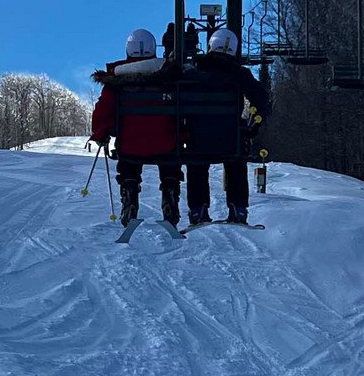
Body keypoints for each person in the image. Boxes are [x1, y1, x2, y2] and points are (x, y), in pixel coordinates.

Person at [88, 28, 183, 228]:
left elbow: (103, 111)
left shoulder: (117, 81)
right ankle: (170, 192)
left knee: (129, 160)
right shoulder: (169, 76)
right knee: (170, 157)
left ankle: (129, 196)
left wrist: (101, 133)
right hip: (165, 144)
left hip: (131, 146)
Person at [181, 26, 270, 225]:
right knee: (237, 160)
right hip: (230, 138)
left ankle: (198, 208)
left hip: (198, 139)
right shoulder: (240, 74)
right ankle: (238, 208)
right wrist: (251, 126)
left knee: (196, 163)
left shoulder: (194, 70)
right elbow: (262, 100)